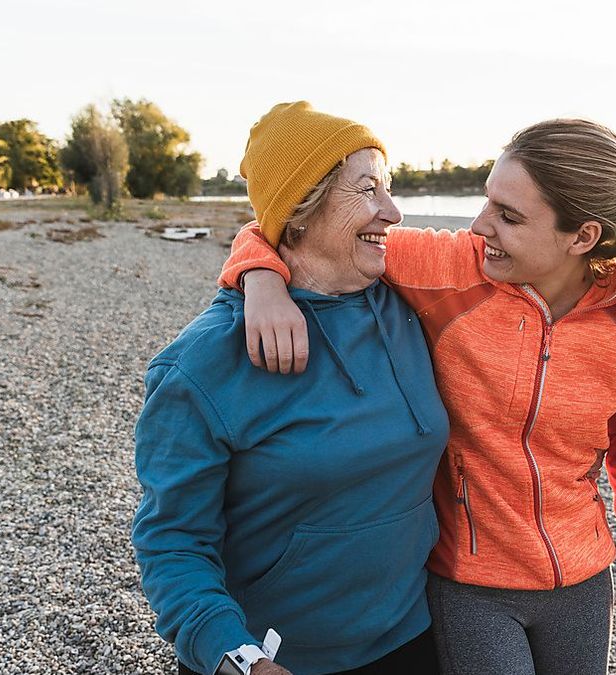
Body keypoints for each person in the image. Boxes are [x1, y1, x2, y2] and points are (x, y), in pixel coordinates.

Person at [220, 118, 616, 674]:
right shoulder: (450, 269)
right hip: (470, 584)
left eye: (509, 216)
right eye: (488, 201)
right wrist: (260, 279)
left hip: (581, 584)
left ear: (581, 237)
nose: (480, 225)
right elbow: (296, 230)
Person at [132, 102, 449, 675]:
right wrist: (236, 654)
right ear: (301, 210)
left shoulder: (413, 303)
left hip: (412, 637)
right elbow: (172, 541)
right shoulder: (203, 365)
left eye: (389, 187)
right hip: (278, 657)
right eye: (367, 190)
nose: (393, 211)